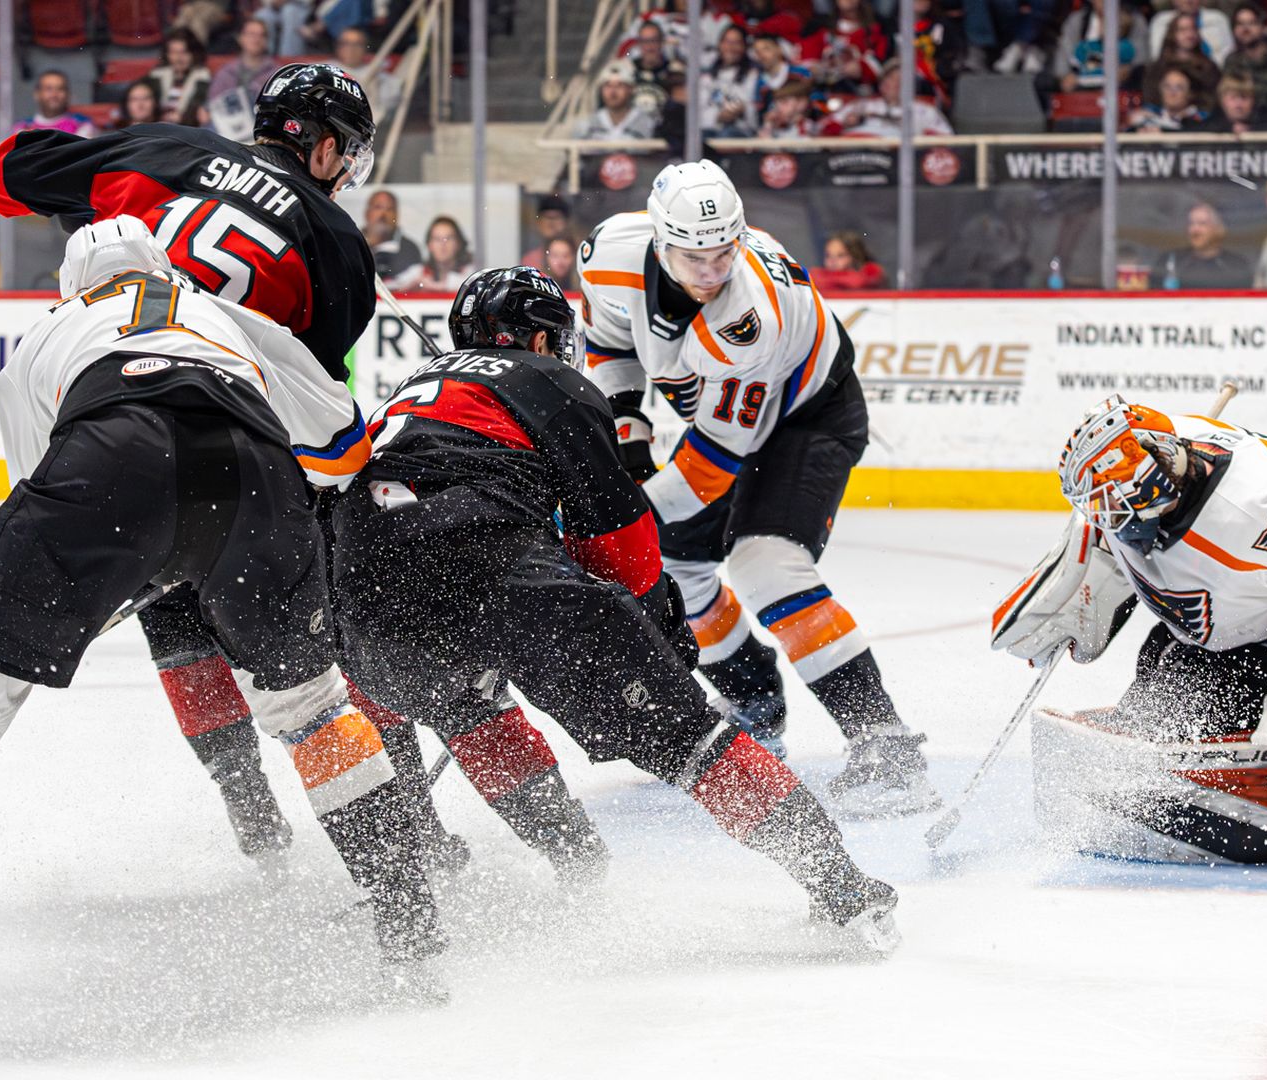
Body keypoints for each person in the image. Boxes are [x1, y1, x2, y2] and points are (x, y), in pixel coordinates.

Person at [0, 217, 442, 1031]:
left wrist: (110, 570)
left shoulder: (49, 332)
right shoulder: (227, 314)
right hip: (256, 470)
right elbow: (343, 443)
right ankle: (412, 927)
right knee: (313, 710)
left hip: (108, 455)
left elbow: (40, 490)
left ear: (72, 282)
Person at [0, 65, 496, 871]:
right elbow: (305, 399)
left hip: (108, 432)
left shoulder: (167, 150)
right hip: (240, 455)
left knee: (177, 627)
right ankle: (409, 831)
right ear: (321, 144)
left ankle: (252, 820)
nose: (348, 168)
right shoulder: (338, 246)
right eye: (347, 151)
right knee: (325, 647)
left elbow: (2, 172)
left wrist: (112, 202)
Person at [335, 265, 904, 944]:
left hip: (359, 586)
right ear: (542, 340)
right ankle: (839, 885)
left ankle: (524, 865)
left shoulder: (401, 394)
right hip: (491, 562)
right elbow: (618, 538)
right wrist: (659, 632)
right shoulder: (552, 382)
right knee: (690, 741)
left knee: (465, 707)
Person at [577, 161, 942, 815]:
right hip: (733, 419)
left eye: (725, 253)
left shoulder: (749, 318)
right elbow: (609, 347)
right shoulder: (609, 255)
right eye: (695, 257)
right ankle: (754, 702)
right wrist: (627, 454)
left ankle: (886, 745)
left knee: (765, 563)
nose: (712, 272)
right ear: (661, 242)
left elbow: (712, 465)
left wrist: (618, 519)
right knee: (678, 565)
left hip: (809, 415)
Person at [992, 396, 1267, 871]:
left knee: (1151, 764)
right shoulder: (1157, 448)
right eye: (1099, 508)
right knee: (1136, 735)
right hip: (1203, 634)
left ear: (1156, 480)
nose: (1111, 520)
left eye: (1117, 506)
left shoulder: (1256, 521)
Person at [824, 59, 953, 137]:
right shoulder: (860, 105)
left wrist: (923, 137)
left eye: (898, 80)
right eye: (888, 78)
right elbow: (823, 130)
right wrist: (843, 125)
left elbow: (947, 139)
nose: (890, 83)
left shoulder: (925, 111)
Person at [1220, 4, 1267, 126]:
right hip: (1243, 128)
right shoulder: (1232, 61)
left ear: (1265, 28)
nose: (1245, 29)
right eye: (1240, 24)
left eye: (1252, 23)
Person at [206, 17, 279, 133]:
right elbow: (213, 105)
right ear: (241, 38)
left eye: (262, 35)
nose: (256, 39)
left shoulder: (276, 74)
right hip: (226, 128)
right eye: (251, 34)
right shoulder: (226, 72)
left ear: (266, 41)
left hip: (259, 130)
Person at [1155, 202, 1250, 289]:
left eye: (1202, 224)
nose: (1195, 230)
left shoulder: (1235, 265)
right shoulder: (1170, 261)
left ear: (1218, 229)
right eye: (1191, 224)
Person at [1051, 4, 1144, 92]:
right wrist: (1069, 76)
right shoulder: (1086, 41)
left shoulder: (1133, 25)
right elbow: (1073, 61)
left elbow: (1139, 63)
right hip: (1083, 85)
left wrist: (1127, 70)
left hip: (1117, 87)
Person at [1142, 13, 1220, 109]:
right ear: (1172, 34)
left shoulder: (1208, 67)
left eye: (1193, 29)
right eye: (1182, 30)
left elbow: (1213, 100)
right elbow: (1150, 98)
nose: (1189, 34)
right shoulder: (1158, 67)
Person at [573, 60, 660, 140]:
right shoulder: (587, 126)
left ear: (631, 89)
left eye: (619, 85)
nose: (613, 92)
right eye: (608, 85)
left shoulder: (648, 125)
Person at [701, 23, 760, 137]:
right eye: (727, 42)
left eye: (736, 43)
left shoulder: (753, 75)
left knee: (727, 133)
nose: (730, 47)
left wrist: (743, 110)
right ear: (720, 44)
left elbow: (755, 110)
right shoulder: (707, 77)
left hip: (741, 130)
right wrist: (718, 116)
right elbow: (699, 111)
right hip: (712, 128)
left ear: (744, 47)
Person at [390, 215, 473, 292]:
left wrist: (438, 286)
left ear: (458, 243)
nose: (443, 244)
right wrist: (407, 288)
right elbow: (388, 287)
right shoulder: (418, 272)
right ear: (429, 245)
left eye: (448, 238)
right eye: (437, 239)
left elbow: (474, 288)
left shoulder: (470, 273)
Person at [626, 19, 687, 119]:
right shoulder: (627, 70)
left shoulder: (676, 72)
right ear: (639, 44)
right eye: (645, 41)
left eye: (654, 41)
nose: (649, 47)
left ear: (662, 42)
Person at [362, 188, 424, 284]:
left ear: (396, 215)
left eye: (389, 209)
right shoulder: (351, 244)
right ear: (367, 213)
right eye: (378, 207)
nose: (383, 214)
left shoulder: (409, 250)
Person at [150, 28, 211, 125]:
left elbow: (197, 105)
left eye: (184, 52)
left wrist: (181, 118)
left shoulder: (201, 75)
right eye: (173, 52)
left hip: (186, 129)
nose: (178, 58)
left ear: (194, 54)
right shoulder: (158, 74)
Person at [14, 71, 97, 137]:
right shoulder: (23, 128)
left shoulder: (82, 124)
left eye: (60, 89)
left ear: (68, 94)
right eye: (48, 89)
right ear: (37, 94)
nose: (54, 95)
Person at [1129, 66, 1211, 132]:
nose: (1172, 93)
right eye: (1167, 86)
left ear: (1190, 93)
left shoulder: (1202, 119)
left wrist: (1163, 131)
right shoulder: (1147, 115)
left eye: (1179, 87)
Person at [1148, 0, 1231, 65]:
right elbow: (1157, 55)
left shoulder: (1217, 19)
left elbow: (1227, 53)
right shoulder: (1161, 21)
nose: (1188, 1)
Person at [750, 31, 810, 118]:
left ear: (779, 49)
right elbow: (759, 113)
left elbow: (815, 100)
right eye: (757, 51)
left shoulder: (800, 73)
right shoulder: (758, 83)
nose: (761, 55)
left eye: (766, 49)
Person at [814, 230, 885, 290]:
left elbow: (858, 282)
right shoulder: (815, 280)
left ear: (855, 257)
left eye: (840, 255)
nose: (832, 260)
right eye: (828, 255)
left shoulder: (869, 279)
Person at [520, 193, 572, 268]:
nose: (551, 223)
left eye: (556, 217)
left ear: (566, 222)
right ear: (538, 222)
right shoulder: (531, 261)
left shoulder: (577, 257)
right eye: (547, 218)